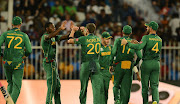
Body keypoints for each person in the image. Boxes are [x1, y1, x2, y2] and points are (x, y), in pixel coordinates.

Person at [121, 21, 162, 104]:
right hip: (156, 63)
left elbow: (140, 47)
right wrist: (138, 42)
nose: (146, 28)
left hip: (147, 63)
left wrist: (128, 43)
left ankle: (145, 102)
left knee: (145, 87)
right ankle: (155, 101)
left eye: (148, 27)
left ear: (151, 28)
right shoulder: (159, 39)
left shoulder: (146, 37)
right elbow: (146, 45)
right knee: (155, 85)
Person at [67, 23, 105, 104]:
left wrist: (73, 30)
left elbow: (69, 40)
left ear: (87, 30)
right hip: (94, 63)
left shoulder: (83, 39)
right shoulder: (98, 39)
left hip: (86, 63)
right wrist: (84, 30)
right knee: (96, 87)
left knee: (83, 87)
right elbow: (89, 38)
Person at [0, 16, 32, 103]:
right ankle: (11, 103)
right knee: (17, 86)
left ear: (12, 24)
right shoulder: (24, 36)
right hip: (18, 62)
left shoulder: (5, 34)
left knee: (9, 83)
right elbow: (29, 50)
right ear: (21, 24)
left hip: (7, 61)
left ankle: (8, 102)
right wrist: (24, 56)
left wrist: (1, 54)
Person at [110, 25, 141, 104]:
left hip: (119, 65)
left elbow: (113, 53)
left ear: (122, 32)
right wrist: (134, 64)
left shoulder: (118, 40)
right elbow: (140, 56)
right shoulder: (134, 42)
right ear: (130, 33)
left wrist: (111, 64)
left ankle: (117, 100)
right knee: (126, 88)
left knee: (116, 85)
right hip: (129, 65)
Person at [41, 21, 69, 104]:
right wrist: (60, 28)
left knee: (57, 86)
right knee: (52, 84)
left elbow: (64, 37)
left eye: (54, 27)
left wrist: (73, 31)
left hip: (53, 63)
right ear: (47, 29)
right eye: (52, 27)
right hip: (49, 63)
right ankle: (48, 102)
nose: (54, 28)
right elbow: (49, 37)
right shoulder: (45, 36)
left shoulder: (53, 37)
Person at [99, 32, 113, 104]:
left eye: (109, 39)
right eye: (106, 39)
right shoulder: (98, 47)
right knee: (99, 91)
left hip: (107, 72)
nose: (108, 41)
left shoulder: (111, 47)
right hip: (99, 72)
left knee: (105, 90)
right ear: (102, 39)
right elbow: (93, 59)